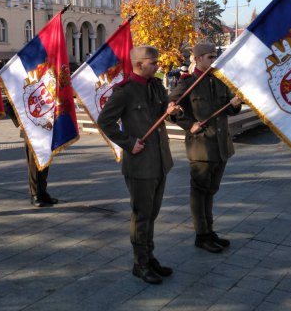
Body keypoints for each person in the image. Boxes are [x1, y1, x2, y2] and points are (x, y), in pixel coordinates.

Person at [98, 45, 181, 285]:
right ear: (139, 64)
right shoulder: (124, 91)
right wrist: (128, 143)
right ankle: (140, 263)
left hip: (159, 160)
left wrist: (171, 111)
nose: (157, 66)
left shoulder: (155, 85)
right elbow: (106, 121)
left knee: (152, 213)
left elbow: (162, 111)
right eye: (153, 63)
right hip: (140, 163)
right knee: (142, 215)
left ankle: (150, 256)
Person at [169, 42, 242, 253]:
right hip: (201, 147)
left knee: (211, 191)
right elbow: (172, 108)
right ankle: (201, 235)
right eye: (210, 57)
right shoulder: (187, 83)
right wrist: (188, 123)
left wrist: (235, 105)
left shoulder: (219, 82)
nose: (213, 60)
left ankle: (209, 231)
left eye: (215, 56)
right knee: (199, 192)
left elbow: (227, 109)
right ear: (198, 59)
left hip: (221, 146)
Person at [4, 99, 58, 207]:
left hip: (47, 130)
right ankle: (35, 195)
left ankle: (43, 193)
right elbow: (8, 104)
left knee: (44, 163)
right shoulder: (23, 84)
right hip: (31, 132)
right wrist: (19, 121)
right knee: (34, 166)